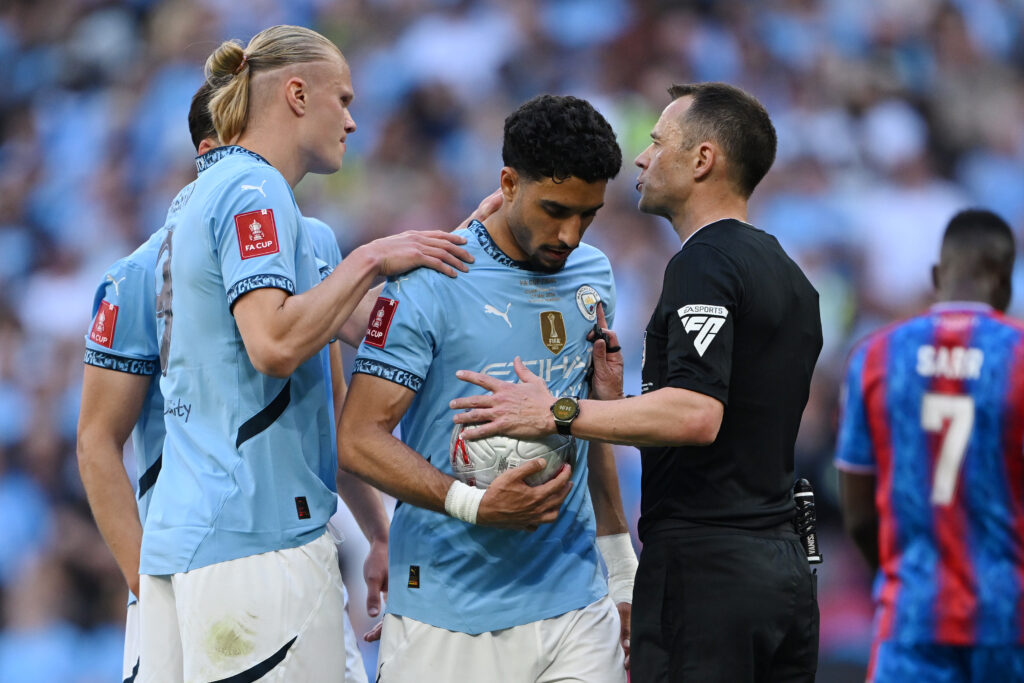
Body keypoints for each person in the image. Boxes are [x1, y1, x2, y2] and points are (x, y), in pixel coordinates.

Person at [451, 82, 822, 682]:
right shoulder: (789, 275)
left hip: (708, 576)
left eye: (656, 141)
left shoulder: (704, 261)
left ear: (703, 160)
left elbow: (697, 415)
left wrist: (560, 412)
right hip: (783, 571)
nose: (642, 158)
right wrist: (617, 403)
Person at [137, 26, 474, 682]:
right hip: (257, 543)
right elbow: (275, 344)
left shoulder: (206, 201)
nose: (351, 120)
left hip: (213, 541)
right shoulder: (251, 191)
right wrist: (372, 256)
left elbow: (351, 346)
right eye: (342, 99)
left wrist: (377, 529)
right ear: (296, 94)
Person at [77, 80, 391, 683]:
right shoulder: (139, 277)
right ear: (210, 150)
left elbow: (328, 405)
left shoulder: (316, 244)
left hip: (293, 549)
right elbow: (96, 442)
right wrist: (148, 583)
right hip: (201, 557)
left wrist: (378, 532)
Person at [338, 94, 635, 682]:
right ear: (508, 182)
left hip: (575, 603)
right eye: (555, 210)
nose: (571, 234)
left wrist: (620, 567)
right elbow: (358, 439)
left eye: (588, 215)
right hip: (448, 612)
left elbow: (585, 426)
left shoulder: (593, 274)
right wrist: (476, 505)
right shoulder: (430, 280)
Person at [836, 209, 1024, 682]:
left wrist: (905, 581)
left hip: (912, 620)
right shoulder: (1019, 355)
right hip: (1008, 621)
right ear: (1005, 282)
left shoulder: (876, 357)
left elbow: (858, 513)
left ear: (938, 275)